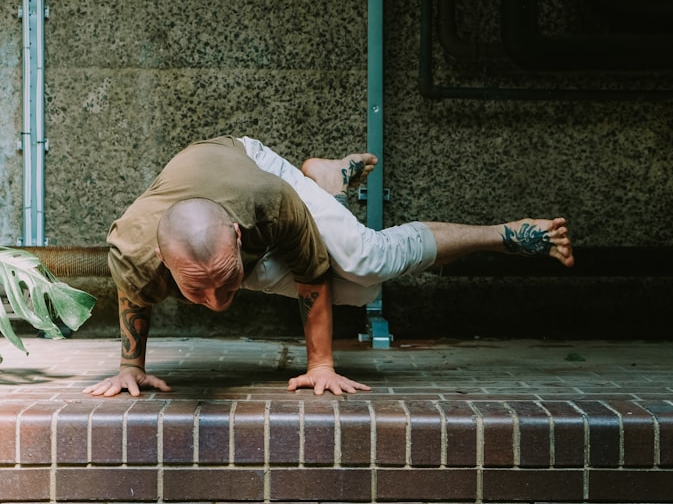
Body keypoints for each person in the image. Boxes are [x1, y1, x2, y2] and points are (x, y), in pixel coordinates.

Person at [84, 136, 573, 398]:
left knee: (367, 260)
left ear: (237, 237)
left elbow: (311, 277)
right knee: (359, 293)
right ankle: (326, 179)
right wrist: (131, 366)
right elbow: (134, 292)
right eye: (197, 292)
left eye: (226, 283)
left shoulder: (268, 202)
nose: (215, 304)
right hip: (208, 218)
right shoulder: (132, 249)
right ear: (163, 261)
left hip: (251, 165)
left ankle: (502, 236)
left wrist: (321, 365)